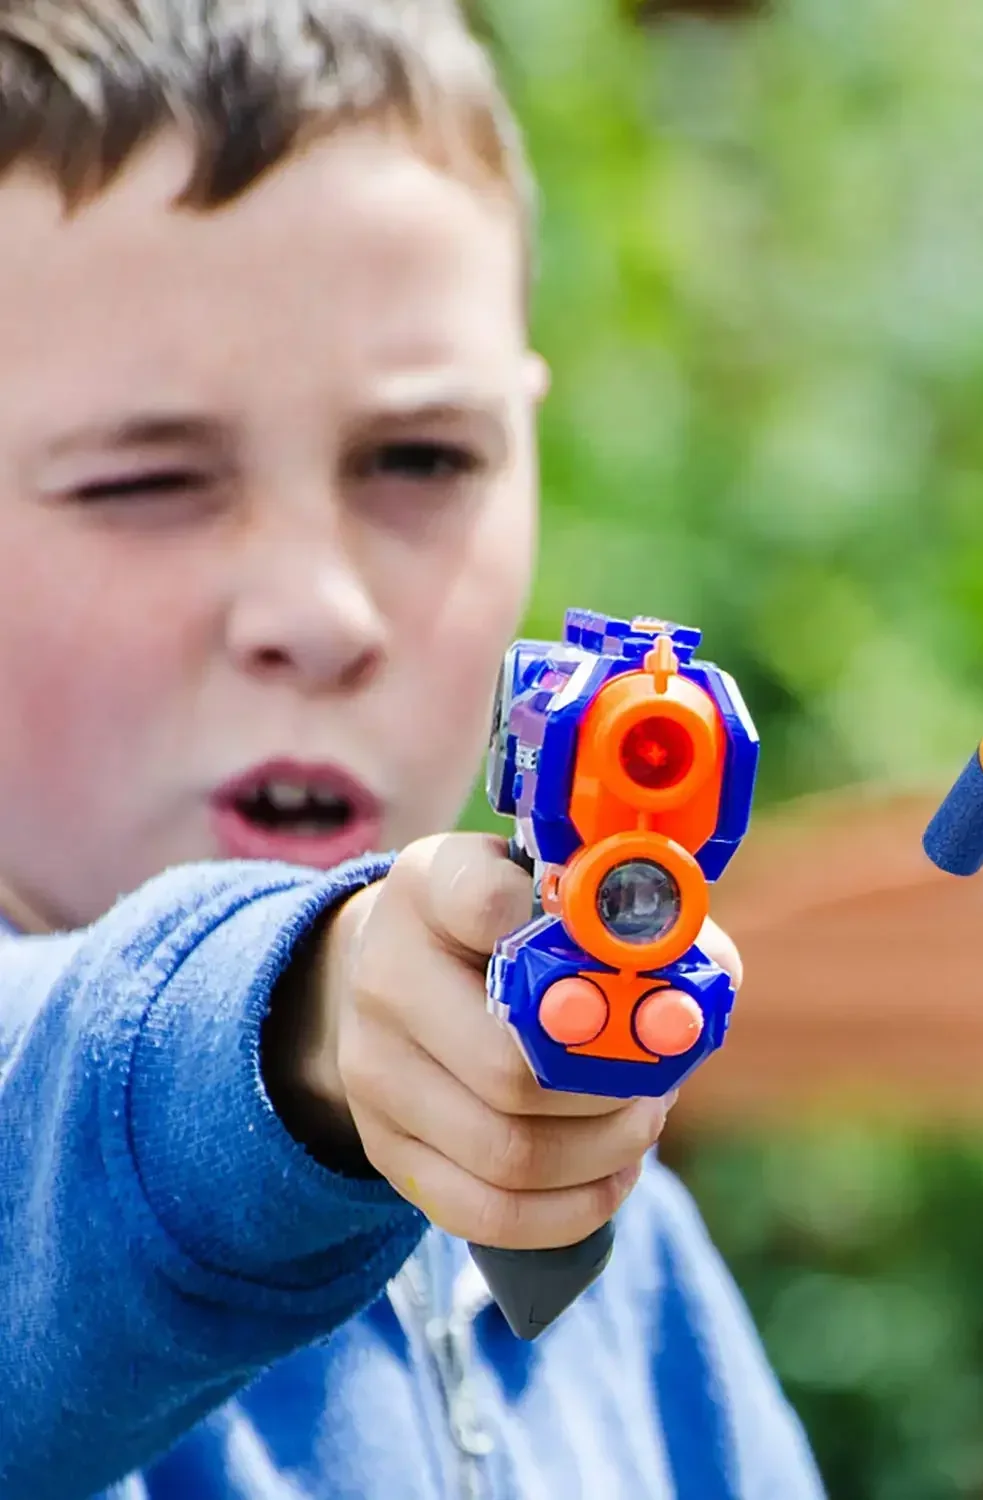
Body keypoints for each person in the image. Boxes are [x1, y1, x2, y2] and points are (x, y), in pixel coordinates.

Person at [0, 2, 826, 1496]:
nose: (319, 610)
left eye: (420, 461)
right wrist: (297, 1038)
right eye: (141, 479)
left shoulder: (629, 1275)